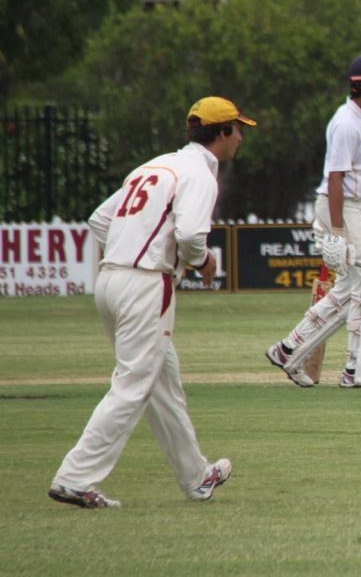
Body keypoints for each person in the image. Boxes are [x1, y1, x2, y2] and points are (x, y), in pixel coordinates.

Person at [48, 97, 256, 508]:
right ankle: (74, 478)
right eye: (237, 128)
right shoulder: (199, 173)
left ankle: (197, 476)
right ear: (220, 133)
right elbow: (193, 237)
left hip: (111, 280)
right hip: (145, 285)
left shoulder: (156, 166)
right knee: (132, 387)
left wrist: (130, 251)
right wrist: (205, 262)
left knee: (162, 385)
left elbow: (99, 220)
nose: (241, 137)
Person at [266, 54, 361, 389]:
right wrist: (338, 232)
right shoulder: (345, 122)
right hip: (341, 206)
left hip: (353, 207)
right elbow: (335, 178)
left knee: (350, 290)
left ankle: (288, 350)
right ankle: (358, 370)